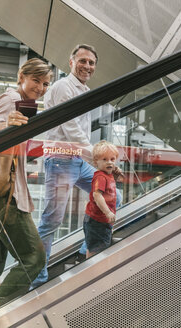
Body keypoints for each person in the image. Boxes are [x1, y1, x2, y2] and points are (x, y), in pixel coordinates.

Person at [0, 58, 51, 323]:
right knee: (34, 258)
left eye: (46, 83)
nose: (41, 87)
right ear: (22, 76)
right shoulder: (11, 98)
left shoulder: (25, 106)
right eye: (36, 80)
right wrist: (4, 126)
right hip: (4, 195)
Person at [31, 44, 122, 287]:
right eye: (82, 61)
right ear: (71, 62)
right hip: (61, 159)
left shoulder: (83, 89)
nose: (87, 66)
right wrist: (98, 156)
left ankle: (86, 249)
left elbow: (80, 131)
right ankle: (36, 279)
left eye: (91, 63)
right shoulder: (63, 87)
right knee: (51, 221)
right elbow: (71, 129)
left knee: (116, 195)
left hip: (78, 160)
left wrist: (98, 161)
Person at [83, 141, 119, 258]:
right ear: (95, 162)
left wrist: (116, 172)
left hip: (100, 220)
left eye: (112, 159)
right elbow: (97, 195)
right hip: (97, 221)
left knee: (95, 247)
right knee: (96, 250)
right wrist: (108, 212)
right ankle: (91, 271)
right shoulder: (100, 177)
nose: (109, 162)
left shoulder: (107, 174)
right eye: (104, 159)